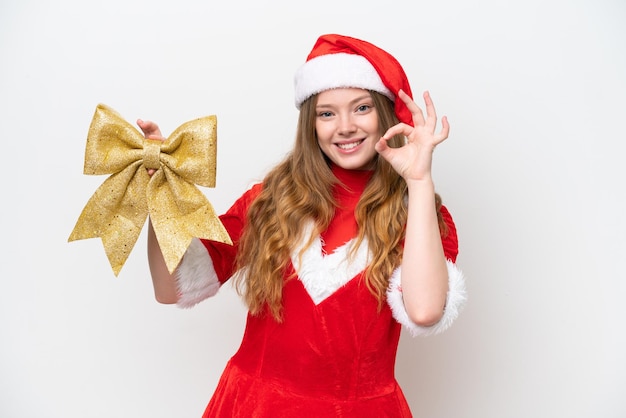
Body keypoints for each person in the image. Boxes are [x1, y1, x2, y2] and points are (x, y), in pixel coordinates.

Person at [138, 34, 466, 418]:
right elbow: (172, 288)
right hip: (252, 407)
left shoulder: (422, 216)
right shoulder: (270, 199)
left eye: (361, 108)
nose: (344, 127)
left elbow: (425, 311)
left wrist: (419, 181)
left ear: (386, 113)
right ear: (311, 124)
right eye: (326, 113)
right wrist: (159, 195)